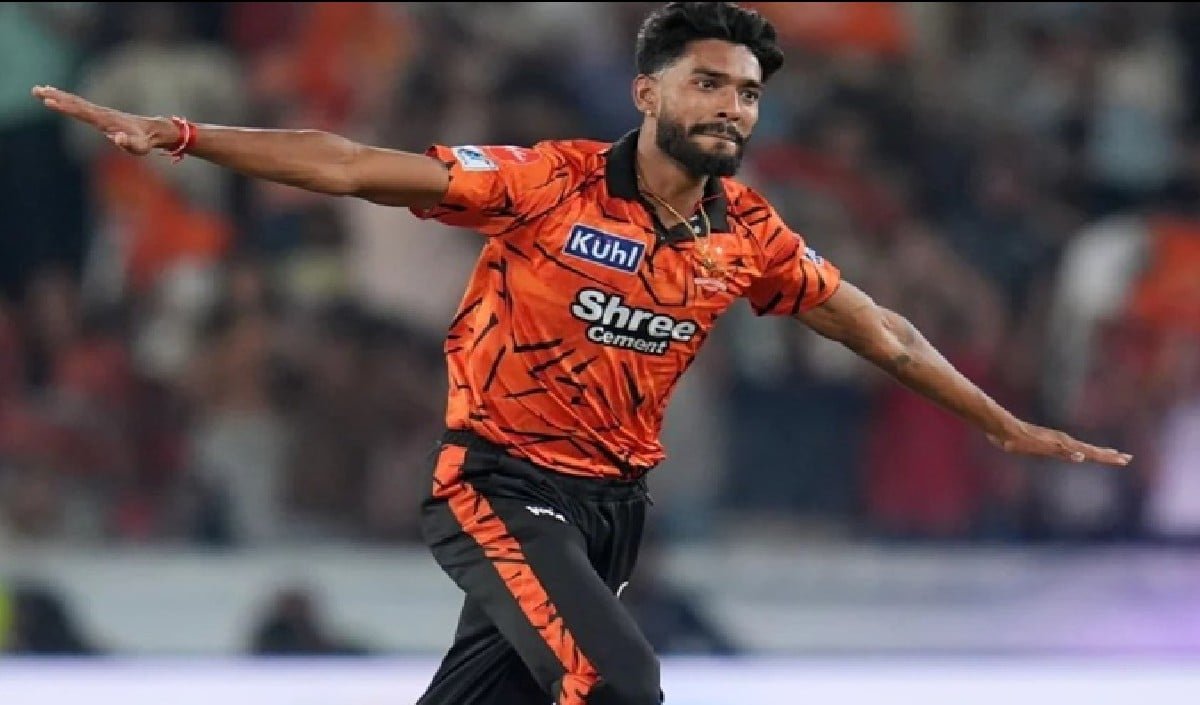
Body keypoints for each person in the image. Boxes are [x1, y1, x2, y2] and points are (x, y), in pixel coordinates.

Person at [32, 3, 1133, 702]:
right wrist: (182, 136)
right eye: (709, 83)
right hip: (501, 486)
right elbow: (352, 165)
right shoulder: (547, 180)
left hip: (613, 510)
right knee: (618, 685)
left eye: (750, 94)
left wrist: (1002, 422)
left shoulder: (748, 234)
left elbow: (880, 329)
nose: (733, 108)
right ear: (647, 92)